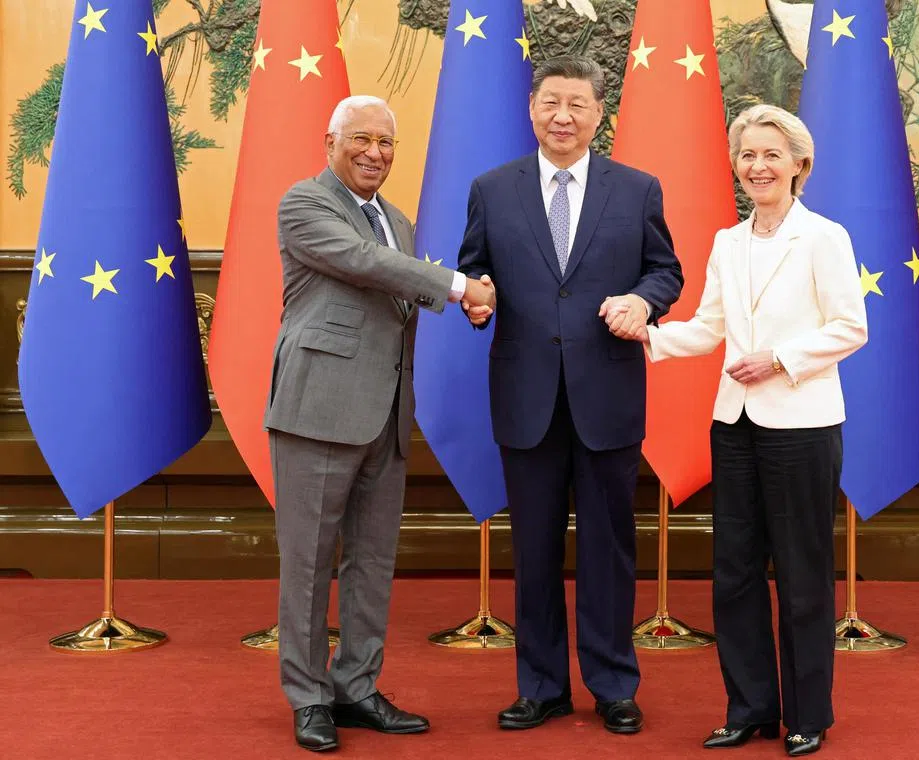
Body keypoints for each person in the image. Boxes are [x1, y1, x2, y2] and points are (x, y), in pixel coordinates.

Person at [457, 56, 683, 735]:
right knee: (533, 549)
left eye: (577, 104)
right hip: (525, 398)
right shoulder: (492, 189)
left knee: (609, 548)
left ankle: (613, 683)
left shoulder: (637, 188)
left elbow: (664, 271)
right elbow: (474, 270)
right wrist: (476, 302)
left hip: (607, 396)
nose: (563, 116)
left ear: (597, 113)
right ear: (532, 108)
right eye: (551, 102)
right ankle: (541, 685)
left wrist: (644, 304)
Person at [266, 94, 496, 752]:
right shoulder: (304, 204)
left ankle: (357, 687)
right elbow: (365, 265)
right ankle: (308, 697)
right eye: (361, 139)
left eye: (387, 143)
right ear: (329, 140)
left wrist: (467, 301)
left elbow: (399, 284)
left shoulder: (396, 218)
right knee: (309, 565)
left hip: (387, 413)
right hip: (318, 410)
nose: (375, 152)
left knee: (371, 563)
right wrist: (459, 289)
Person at [637, 104, 867, 757]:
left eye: (771, 154)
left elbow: (851, 327)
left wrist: (780, 359)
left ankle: (807, 714)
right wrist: (643, 337)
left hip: (801, 423)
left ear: (799, 164)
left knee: (800, 572)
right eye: (747, 155)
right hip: (733, 423)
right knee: (733, 574)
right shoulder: (725, 242)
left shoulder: (825, 237)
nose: (757, 166)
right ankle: (750, 707)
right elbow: (709, 328)